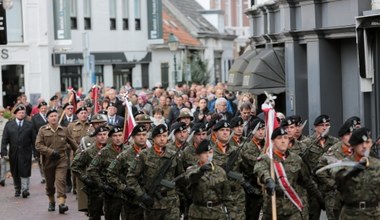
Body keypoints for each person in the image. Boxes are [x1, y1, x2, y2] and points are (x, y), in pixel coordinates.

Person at [254, 127, 323, 220]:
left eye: (285, 138)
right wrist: (268, 180)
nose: (283, 141)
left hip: (293, 209)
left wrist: (319, 197)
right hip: (272, 210)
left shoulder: (296, 159)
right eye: (279, 138)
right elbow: (260, 169)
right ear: (273, 141)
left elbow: (307, 181)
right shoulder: (266, 159)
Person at [126, 124, 185, 220]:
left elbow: (181, 179)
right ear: (153, 138)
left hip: (171, 205)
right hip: (152, 204)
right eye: (159, 136)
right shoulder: (144, 155)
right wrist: (142, 195)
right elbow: (131, 177)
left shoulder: (174, 155)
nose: (162, 139)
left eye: (165, 136)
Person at [335, 127, 380, 220]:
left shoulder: (377, 165)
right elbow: (339, 183)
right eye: (360, 143)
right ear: (353, 145)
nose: (364, 146)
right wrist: (355, 168)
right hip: (351, 214)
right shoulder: (344, 165)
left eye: (367, 142)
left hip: (374, 214)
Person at [186, 139, 236, 220]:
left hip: (217, 213)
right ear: (198, 155)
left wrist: (231, 213)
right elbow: (191, 178)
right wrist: (200, 170)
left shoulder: (220, 171)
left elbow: (227, 195)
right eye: (205, 153)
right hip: (198, 213)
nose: (208, 156)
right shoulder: (192, 169)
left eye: (210, 153)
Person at [302, 114, 339, 220]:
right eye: (322, 125)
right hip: (314, 188)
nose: (324, 127)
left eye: (327, 125)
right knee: (312, 216)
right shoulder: (307, 143)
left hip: (329, 187)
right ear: (315, 127)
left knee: (334, 216)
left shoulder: (335, 142)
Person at [107, 124, 148, 219]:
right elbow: (110, 175)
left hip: (148, 200)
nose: (142, 137)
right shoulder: (124, 155)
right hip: (131, 201)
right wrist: (124, 188)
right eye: (138, 135)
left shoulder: (152, 154)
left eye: (144, 134)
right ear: (133, 137)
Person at [316, 121, 354, 220]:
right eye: (348, 135)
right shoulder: (333, 150)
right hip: (336, 196)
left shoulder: (359, 150)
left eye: (353, 134)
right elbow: (320, 169)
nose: (351, 137)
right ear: (342, 137)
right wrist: (332, 183)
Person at [86, 126, 126, 220]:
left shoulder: (128, 150)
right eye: (115, 136)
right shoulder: (104, 152)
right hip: (111, 193)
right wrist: (102, 185)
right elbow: (92, 169)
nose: (118, 138)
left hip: (126, 192)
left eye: (120, 135)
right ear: (111, 138)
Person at [35, 109, 70, 213]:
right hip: (48, 161)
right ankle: (51, 202)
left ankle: (61, 203)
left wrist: (80, 152)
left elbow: (72, 143)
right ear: (47, 119)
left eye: (55, 115)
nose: (54, 118)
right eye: (51, 116)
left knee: (61, 181)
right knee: (50, 184)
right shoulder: (42, 130)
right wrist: (50, 152)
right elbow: (38, 145)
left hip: (61, 159)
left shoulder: (64, 130)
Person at [210, 120, 246, 219]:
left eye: (227, 130)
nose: (225, 132)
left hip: (237, 197)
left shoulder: (237, 150)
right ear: (215, 133)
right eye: (222, 130)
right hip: (218, 197)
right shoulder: (210, 153)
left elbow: (247, 169)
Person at [71, 125, 109, 218]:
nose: (103, 136)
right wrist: (85, 178)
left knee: (111, 214)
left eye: (105, 134)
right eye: (100, 134)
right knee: (95, 214)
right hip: (94, 188)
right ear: (95, 137)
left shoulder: (112, 150)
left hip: (110, 187)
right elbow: (75, 166)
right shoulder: (88, 151)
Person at [1, 104, 36, 198]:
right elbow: (5, 139)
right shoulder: (9, 125)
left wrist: (36, 152)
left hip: (26, 152)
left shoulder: (29, 124)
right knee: (15, 171)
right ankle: (17, 189)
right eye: (19, 113)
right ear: (16, 114)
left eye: (23, 113)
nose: (21, 114)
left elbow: (34, 140)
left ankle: (25, 190)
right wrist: (3, 150)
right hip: (14, 152)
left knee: (25, 170)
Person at [241, 118, 266, 220]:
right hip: (253, 188)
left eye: (263, 129)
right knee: (252, 216)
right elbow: (255, 164)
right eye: (258, 129)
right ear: (252, 131)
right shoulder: (246, 147)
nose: (261, 132)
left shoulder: (268, 145)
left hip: (267, 187)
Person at [31, 101, 49, 184]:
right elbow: (33, 130)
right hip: (40, 141)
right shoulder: (35, 118)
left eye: (45, 108)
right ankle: (43, 176)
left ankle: (49, 174)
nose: (44, 109)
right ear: (39, 109)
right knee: (40, 160)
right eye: (42, 108)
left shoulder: (49, 116)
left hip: (49, 141)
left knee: (48, 158)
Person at [0, 106, 9, 186]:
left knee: (3, 161)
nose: (1, 114)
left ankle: (2, 179)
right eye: (0, 112)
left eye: (2, 112)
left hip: (3, 144)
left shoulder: (6, 121)